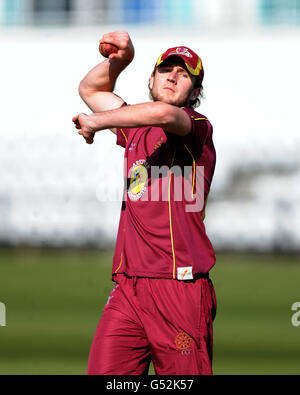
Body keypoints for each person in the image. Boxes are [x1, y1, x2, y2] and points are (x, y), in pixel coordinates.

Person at [73, 31, 217, 375]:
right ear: (151, 79)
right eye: (165, 69)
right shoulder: (135, 128)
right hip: (129, 289)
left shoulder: (195, 126)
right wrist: (120, 60)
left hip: (179, 288)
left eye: (183, 74)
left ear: (194, 93)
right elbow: (90, 90)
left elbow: (164, 115)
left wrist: (96, 121)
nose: (172, 76)